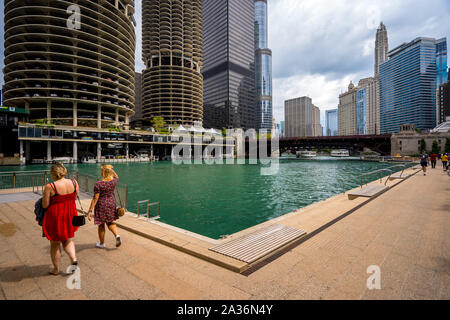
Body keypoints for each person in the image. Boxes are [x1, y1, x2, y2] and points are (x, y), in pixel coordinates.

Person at [42, 163, 79, 275]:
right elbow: (76, 196)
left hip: (56, 215)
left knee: (55, 243)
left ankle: (56, 269)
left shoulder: (50, 186)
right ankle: (74, 259)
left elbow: (45, 205)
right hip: (70, 213)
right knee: (68, 239)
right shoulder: (74, 182)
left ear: (53, 174)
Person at [88, 165, 122, 248]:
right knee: (110, 221)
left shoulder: (98, 184)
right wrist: (111, 170)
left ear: (103, 172)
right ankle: (117, 235)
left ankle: (102, 243)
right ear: (110, 173)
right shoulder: (113, 181)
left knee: (101, 224)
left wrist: (90, 210)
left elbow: (95, 198)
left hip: (101, 205)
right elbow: (117, 176)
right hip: (111, 203)